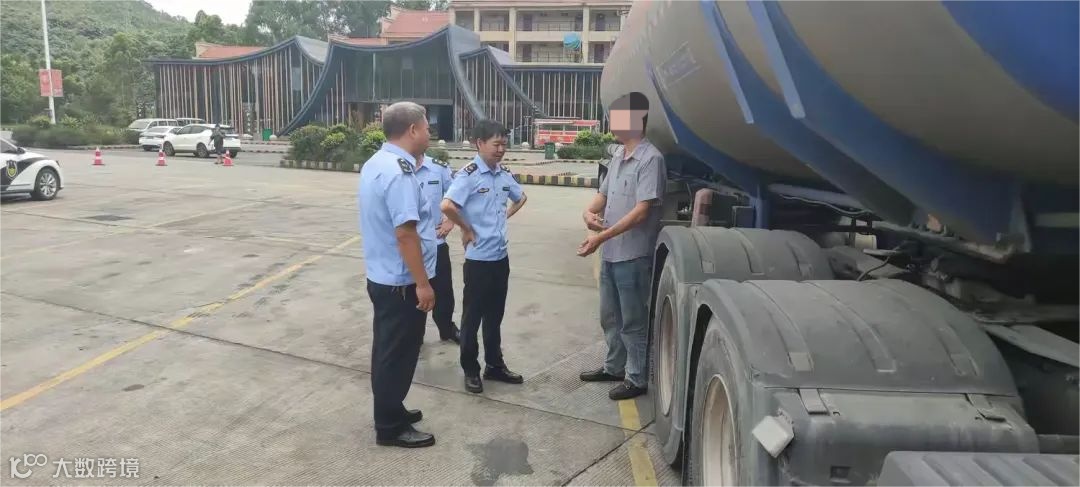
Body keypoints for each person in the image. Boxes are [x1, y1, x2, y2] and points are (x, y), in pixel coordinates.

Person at [358, 101, 439, 448]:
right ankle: (389, 426)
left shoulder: (377, 162)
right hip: (401, 283)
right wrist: (422, 283)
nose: (430, 134)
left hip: (383, 276)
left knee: (386, 350)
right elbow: (406, 233)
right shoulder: (399, 172)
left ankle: (391, 408)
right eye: (427, 128)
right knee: (398, 354)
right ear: (413, 130)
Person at [576, 92, 667, 401]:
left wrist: (601, 237)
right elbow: (603, 195)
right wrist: (588, 213)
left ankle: (636, 378)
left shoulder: (651, 159)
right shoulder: (617, 157)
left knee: (632, 321)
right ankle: (614, 367)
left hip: (633, 256)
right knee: (610, 317)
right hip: (611, 253)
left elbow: (642, 212)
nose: (612, 124)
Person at [440, 120, 528, 394]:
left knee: (495, 316)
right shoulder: (469, 175)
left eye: (504, 144)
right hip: (478, 261)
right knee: (472, 318)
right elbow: (447, 205)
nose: (501, 149)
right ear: (479, 143)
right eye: (496, 144)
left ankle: (494, 365)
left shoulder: (503, 174)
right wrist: (466, 228)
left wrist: (504, 216)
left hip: (500, 258)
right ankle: (470, 369)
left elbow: (521, 198)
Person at [412, 152, 461, 343]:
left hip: (436, 242)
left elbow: (456, 196)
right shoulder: (397, 169)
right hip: (409, 244)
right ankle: (415, 335)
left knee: (443, 291)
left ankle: (446, 328)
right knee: (412, 292)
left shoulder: (438, 168)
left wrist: (450, 221)